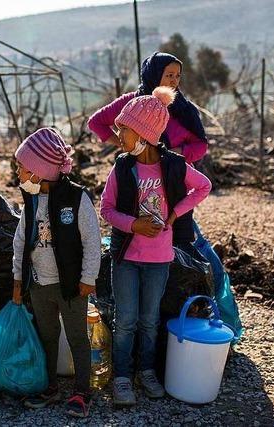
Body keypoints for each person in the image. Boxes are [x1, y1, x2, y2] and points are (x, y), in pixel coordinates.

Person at [89, 51, 243, 340]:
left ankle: (217, 323)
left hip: (173, 190)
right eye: (168, 75)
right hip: (138, 193)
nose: (174, 81)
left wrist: (174, 158)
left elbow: (200, 145)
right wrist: (123, 146)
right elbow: (97, 122)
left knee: (196, 252)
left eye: (177, 76)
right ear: (153, 76)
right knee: (133, 253)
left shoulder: (183, 109)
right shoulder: (131, 105)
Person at [100, 87, 212, 406]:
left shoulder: (174, 167)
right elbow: (106, 209)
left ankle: (146, 371)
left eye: (124, 130)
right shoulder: (122, 168)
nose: (119, 137)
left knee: (149, 321)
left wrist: (175, 213)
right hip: (125, 258)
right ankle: (122, 376)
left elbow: (203, 186)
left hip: (159, 259)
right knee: (125, 321)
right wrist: (133, 225)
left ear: (144, 133)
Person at [11, 127, 101, 418]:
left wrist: (88, 278)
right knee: (47, 336)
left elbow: (92, 241)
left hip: (71, 286)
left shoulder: (76, 199)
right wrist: (18, 279)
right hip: (39, 285)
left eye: (23, 170)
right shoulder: (31, 200)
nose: (20, 176)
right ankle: (50, 387)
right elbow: (21, 241)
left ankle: (82, 391)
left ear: (40, 171)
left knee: (77, 338)